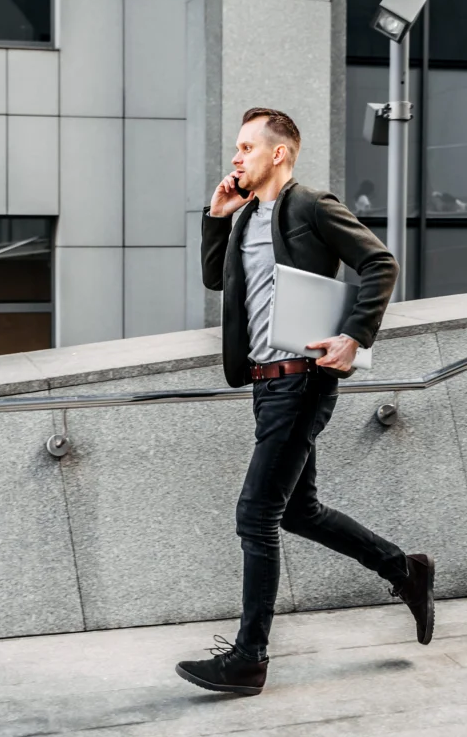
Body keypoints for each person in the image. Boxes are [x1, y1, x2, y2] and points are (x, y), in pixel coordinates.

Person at [175, 107, 434, 697]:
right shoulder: (245, 219)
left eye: (246, 148)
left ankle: (248, 658)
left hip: (303, 380)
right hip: (266, 383)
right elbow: (218, 280)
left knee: (256, 513)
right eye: (236, 149)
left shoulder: (310, 204)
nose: (236, 158)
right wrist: (216, 218)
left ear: (279, 154)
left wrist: (355, 336)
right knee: (296, 511)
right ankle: (404, 570)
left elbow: (380, 262)